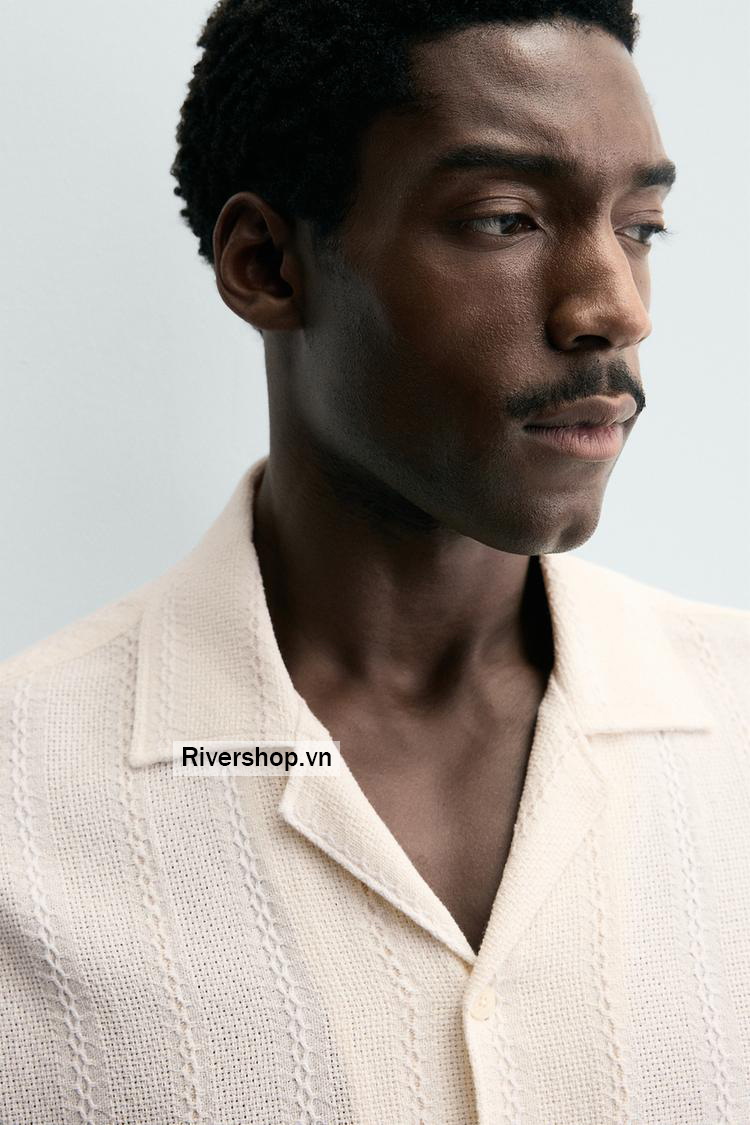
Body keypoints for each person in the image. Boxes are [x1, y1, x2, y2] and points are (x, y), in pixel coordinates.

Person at [1, 1, 748, 1121]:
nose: (615, 308)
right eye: (505, 220)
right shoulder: (21, 800)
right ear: (266, 264)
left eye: (641, 226)